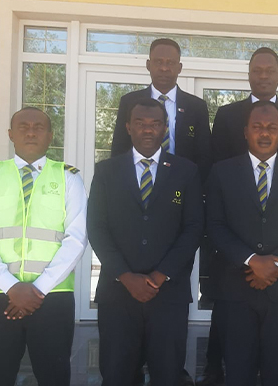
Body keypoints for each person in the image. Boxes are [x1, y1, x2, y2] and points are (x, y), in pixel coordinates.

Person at [199, 47, 278, 386]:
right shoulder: (225, 160)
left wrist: (275, 263)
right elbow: (216, 218)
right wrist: (250, 260)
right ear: (246, 131)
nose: (264, 133)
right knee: (238, 369)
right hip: (236, 279)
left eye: (272, 127)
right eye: (257, 127)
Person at [0, 107, 88, 386]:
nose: (31, 132)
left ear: (51, 135)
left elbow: (77, 238)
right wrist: (11, 286)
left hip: (52, 295)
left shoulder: (69, 178)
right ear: (10, 134)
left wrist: (38, 288)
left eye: (38, 127)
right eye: (23, 127)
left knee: (54, 376)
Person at [87, 98, 204, 386]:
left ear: (165, 128)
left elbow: (193, 228)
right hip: (118, 293)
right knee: (117, 374)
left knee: (168, 374)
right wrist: (125, 276)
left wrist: (160, 275)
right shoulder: (106, 171)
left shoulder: (186, 171)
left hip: (168, 293)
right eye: (140, 123)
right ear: (128, 127)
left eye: (155, 124)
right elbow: (97, 228)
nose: (148, 130)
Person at [111, 38, 212, 182]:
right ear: (148, 65)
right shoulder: (130, 102)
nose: (164, 68)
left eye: (170, 63)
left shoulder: (196, 107)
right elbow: (119, 149)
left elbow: (204, 156)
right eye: (158, 62)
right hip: (140, 182)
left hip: (182, 184)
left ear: (180, 67)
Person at [211, 47, 278, 167]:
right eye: (257, 71)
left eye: (270, 71)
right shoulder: (226, 116)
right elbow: (217, 166)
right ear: (249, 76)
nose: (263, 76)